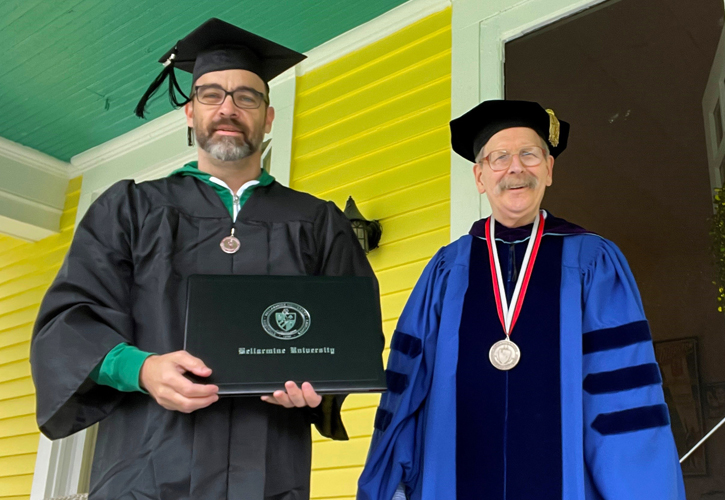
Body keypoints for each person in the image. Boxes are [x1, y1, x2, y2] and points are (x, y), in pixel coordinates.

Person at [31, 18, 379, 500]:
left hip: (268, 472)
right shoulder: (131, 209)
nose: (229, 108)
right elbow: (69, 320)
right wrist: (141, 369)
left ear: (268, 117)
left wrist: (321, 386)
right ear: (190, 113)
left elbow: (352, 331)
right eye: (212, 95)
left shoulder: (317, 222)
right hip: (145, 469)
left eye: (247, 97)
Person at [357, 100, 685, 499]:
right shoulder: (446, 270)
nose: (515, 168)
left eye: (530, 154)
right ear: (480, 176)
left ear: (548, 169)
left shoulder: (593, 261)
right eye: (499, 157)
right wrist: (391, 482)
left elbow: (623, 396)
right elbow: (407, 385)